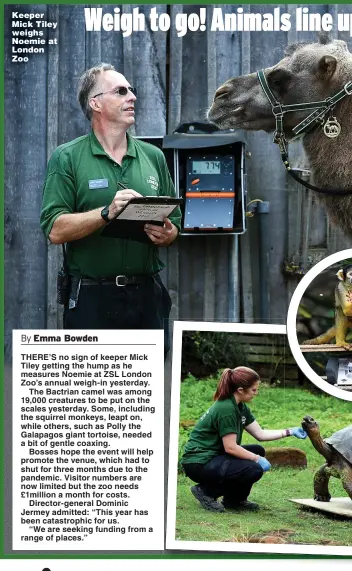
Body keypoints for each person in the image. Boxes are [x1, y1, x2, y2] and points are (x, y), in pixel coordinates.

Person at [40, 63, 180, 354]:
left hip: (146, 298)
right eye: (120, 91)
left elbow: (174, 223)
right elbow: (54, 229)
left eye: (132, 90)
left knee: (144, 393)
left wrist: (168, 233)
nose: (132, 97)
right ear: (96, 104)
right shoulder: (67, 157)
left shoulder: (153, 157)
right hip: (92, 299)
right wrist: (106, 212)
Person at [181, 366, 308, 512]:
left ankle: (234, 500)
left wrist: (290, 431)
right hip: (198, 462)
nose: (256, 393)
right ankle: (206, 492)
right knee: (253, 468)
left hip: (214, 457)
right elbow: (230, 447)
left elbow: (260, 434)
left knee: (257, 450)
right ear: (241, 390)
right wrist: (256, 459)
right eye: (254, 390)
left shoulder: (240, 407)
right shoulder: (226, 409)